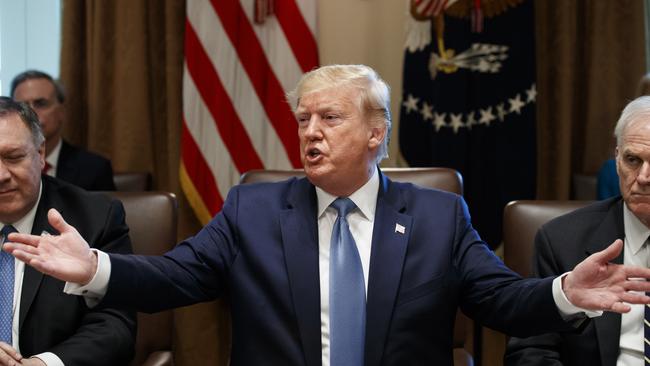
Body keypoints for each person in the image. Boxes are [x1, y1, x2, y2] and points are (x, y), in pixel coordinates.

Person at [6, 65, 650, 366]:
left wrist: (566, 293)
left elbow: (502, 302)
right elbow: (175, 277)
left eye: (330, 118)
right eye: (303, 120)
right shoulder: (254, 208)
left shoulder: (437, 216)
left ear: (377, 133)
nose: (310, 133)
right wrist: (96, 269)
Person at [505, 95, 650, 365]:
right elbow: (531, 352)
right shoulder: (561, 241)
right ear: (617, 159)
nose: (643, 177)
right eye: (633, 160)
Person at [0, 97, 135, 365]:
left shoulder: (94, 219)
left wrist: (45, 363)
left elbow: (115, 326)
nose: (1, 175)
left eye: (13, 157)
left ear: (40, 155)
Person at [10, 70, 116, 191]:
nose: (31, 113)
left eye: (41, 104)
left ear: (62, 111)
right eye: (22, 107)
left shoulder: (94, 169)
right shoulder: (2, 168)